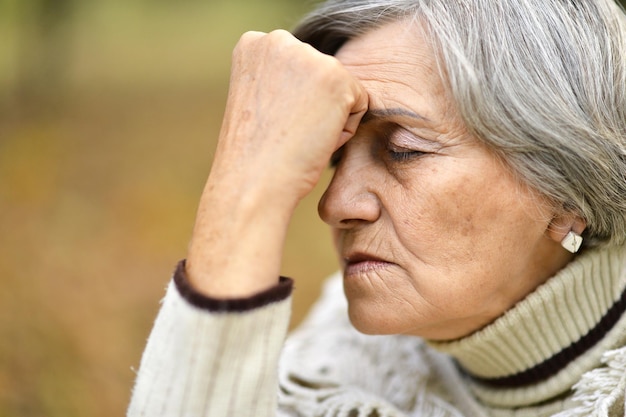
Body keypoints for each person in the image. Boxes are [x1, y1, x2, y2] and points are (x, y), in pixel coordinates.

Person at [127, 0, 626, 415]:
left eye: (403, 148)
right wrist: (245, 185)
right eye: (335, 156)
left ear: (567, 190)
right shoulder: (340, 367)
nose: (336, 205)